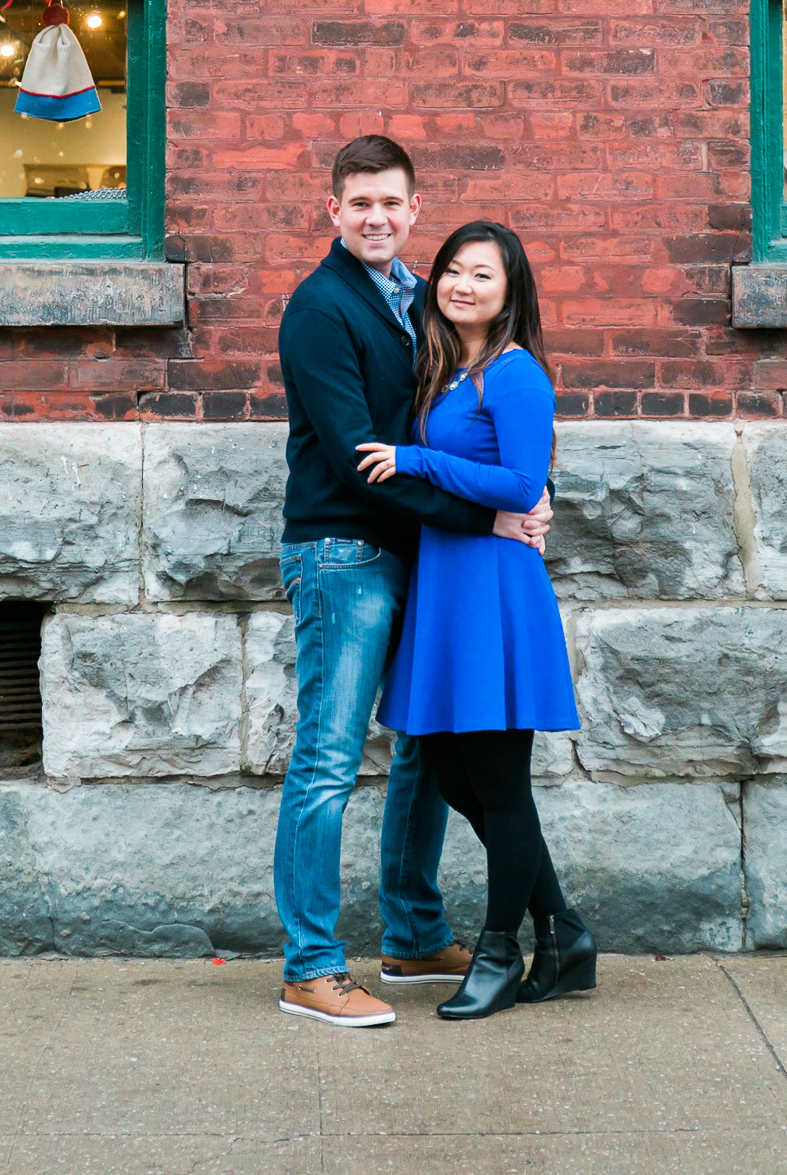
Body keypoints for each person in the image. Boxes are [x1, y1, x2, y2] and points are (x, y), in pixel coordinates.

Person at [275, 138, 553, 1029]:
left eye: (391, 205)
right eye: (359, 204)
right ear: (332, 211)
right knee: (328, 759)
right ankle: (311, 967)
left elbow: (485, 434)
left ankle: (412, 931)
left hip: (417, 551)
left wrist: (516, 500)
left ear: (414, 210)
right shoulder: (322, 309)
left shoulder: (407, 300)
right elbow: (366, 461)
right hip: (344, 552)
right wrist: (491, 519)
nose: (376, 219)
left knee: (425, 752)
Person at [359, 220, 594, 1021]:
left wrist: (417, 458)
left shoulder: (515, 373)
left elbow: (524, 482)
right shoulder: (447, 371)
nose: (462, 285)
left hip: (495, 587)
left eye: (482, 276)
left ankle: (501, 951)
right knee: (460, 775)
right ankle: (561, 931)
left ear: (510, 291)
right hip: (449, 582)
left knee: (497, 781)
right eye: (452, 271)